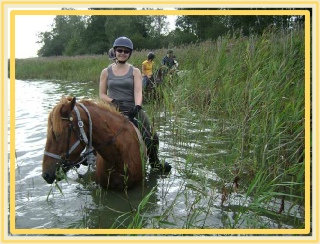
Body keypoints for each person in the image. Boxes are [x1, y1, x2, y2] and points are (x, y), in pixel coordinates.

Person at [99, 36, 171, 172]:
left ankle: (154, 162)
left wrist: (137, 106)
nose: (122, 53)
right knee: (93, 129)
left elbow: (138, 92)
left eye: (126, 51)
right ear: (115, 51)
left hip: (132, 108)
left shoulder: (135, 71)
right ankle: (89, 161)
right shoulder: (105, 72)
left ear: (129, 54)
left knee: (152, 135)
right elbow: (102, 94)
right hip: (112, 109)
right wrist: (112, 101)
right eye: (120, 50)